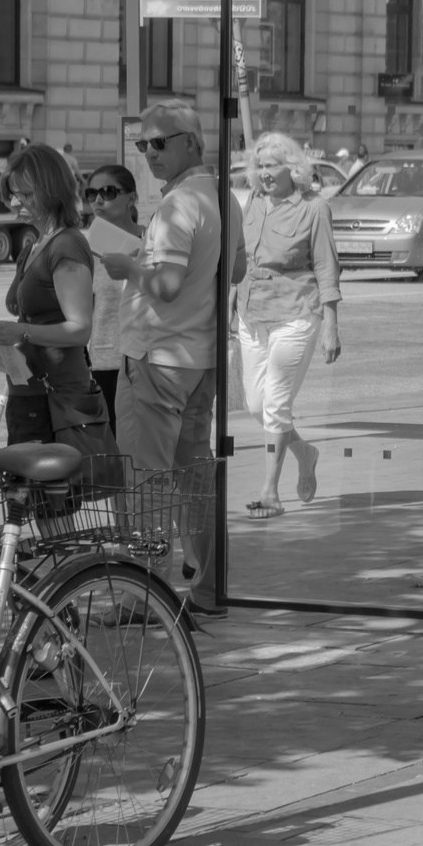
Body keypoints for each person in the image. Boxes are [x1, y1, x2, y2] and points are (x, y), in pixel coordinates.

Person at [99, 99, 243, 620]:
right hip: (198, 358)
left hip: (157, 359)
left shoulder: (178, 205)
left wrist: (126, 265)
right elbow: (238, 268)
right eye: (142, 144)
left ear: (191, 141)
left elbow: (164, 283)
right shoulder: (222, 196)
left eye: (158, 142)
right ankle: (208, 590)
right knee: (193, 477)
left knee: (148, 479)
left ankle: (145, 597)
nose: (149, 153)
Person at [234, 131, 342, 519]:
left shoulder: (314, 208)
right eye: (259, 166)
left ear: (292, 168)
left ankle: (269, 492)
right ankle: (304, 452)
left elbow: (327, 267)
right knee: (255, 405)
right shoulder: (253, 203)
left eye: (272, 166)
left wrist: (330, 323)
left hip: (296, 312)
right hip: (251, 311)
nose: (264, 173)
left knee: (276, 404)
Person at [0, 143, 118, 462]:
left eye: (27, 195)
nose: (18, 202)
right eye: (14, 194)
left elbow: (79, 329)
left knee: (50, 504)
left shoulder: (66, 245)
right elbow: (23, 313)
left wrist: (22, 334)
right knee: (33, 503)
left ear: (51, 191)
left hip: (54, 397)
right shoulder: (38, 243)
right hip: (32, 391)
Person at [81, 164, 139, 432]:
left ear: (131, 198)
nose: (98, 200)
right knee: (111, 447)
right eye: (91, 194)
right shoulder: (85, 248)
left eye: (108, 191)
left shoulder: (152, 240)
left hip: (148, 358)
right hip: (105, 361)